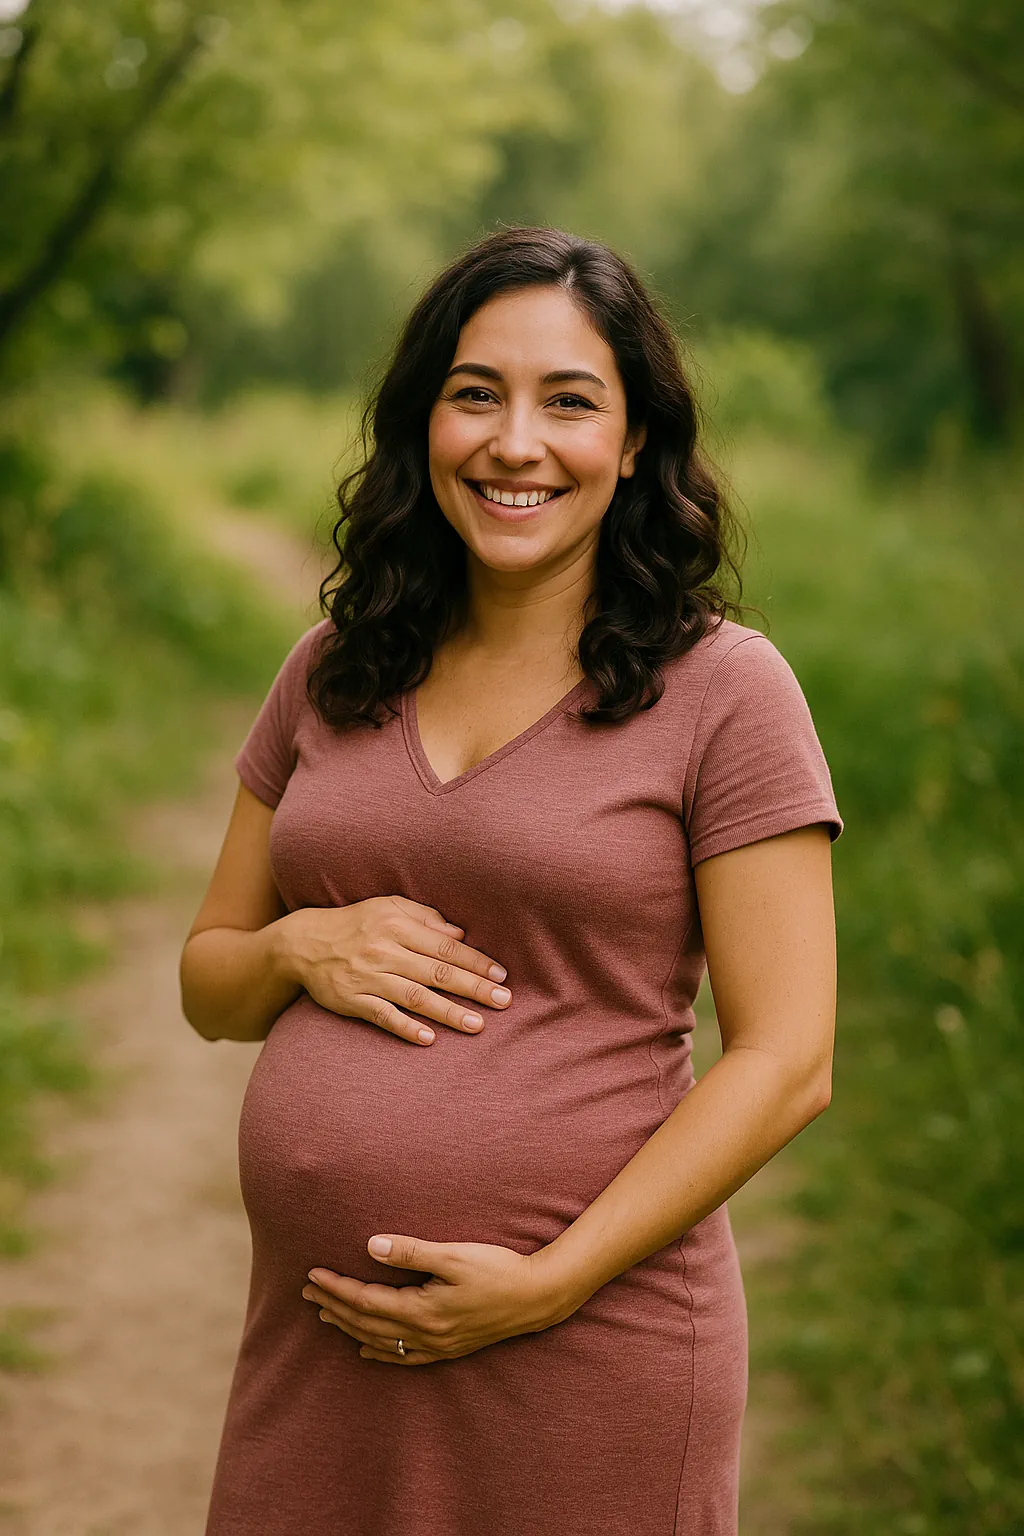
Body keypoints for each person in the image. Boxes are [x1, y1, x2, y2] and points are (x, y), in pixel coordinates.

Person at [180, 225, 842, 1536]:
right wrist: (299, 949)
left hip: (590, 1345)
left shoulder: (725, 692)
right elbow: (210, 985)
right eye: (476, 394)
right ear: (422, 421)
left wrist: (555, 1280)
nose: (515, 444)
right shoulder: (334, 667)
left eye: (571, 402)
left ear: (637, 440)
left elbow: (788, 1061)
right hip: (312, 1359)